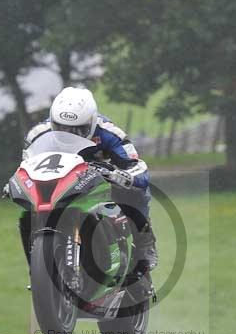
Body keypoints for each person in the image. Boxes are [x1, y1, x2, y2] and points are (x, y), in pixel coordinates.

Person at [21, 86, 157, 274]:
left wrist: (124, 176)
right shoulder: (38, 134)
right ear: (52, 121)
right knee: (28, 213)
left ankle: (144, 243)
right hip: (59, 184)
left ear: (92, 121)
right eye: (61, 128)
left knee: (136, 191)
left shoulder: (110, 132)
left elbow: (137, 166)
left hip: (99, 182)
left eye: (78, 129)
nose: (69, 134)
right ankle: (37, 265)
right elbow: (26, 167)